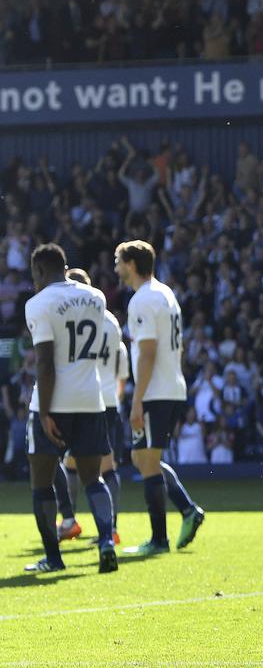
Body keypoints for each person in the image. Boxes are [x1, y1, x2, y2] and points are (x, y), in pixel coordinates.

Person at [23, 244, 117, 573]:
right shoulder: (96, 297)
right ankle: (107, 541)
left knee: (42, 482)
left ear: (38, 271)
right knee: (94, 479)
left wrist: (46, 412)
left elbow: (46, 364)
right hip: (91, 399)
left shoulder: (38, 304)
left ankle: (53, 558)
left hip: (55, 402)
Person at [115, 240, 205, 556]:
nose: (115, 267)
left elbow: (148, 353)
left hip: (156, 392)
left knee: (148, 462)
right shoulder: (165, 293)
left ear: (131, 264)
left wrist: (137, 400)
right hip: (170, 387)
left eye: (119, 261)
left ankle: (158, 539)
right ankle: (188, 509)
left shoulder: (142, 300)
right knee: (144, 459)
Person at [53, 268, 128, 547]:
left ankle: (73, 521)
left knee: (73, 464)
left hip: (85, 399)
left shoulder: (77, 316)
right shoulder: (111, 320)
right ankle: (108, 527)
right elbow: (119, 361)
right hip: (109, 400)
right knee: (100, 467)